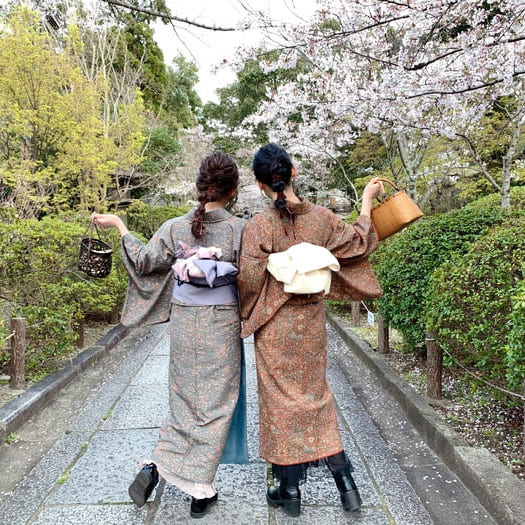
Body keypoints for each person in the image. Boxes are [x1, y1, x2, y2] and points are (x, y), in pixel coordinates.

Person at [92, 151, 248, 519]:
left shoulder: (176, 226)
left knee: (184, 401)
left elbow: (145, 262)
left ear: (200, 186)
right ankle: (198, 487)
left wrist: (120, 225)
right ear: (234, 190)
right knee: (215, 406)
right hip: (221, 324)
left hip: (184, 323)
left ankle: (158, 467)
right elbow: (254, 279)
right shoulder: (240, 229)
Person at [237, 143, 384, 517]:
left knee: (281, 405)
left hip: (274, 325)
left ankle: (289, 490)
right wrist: (367, 201)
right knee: (315, 397)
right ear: (294, 172)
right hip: (310, 323)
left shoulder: (259, 225)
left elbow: (249, 281)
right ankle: (345, 482)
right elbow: (359, 243)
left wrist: (245, 313)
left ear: (259, 185)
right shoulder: (322, 218)